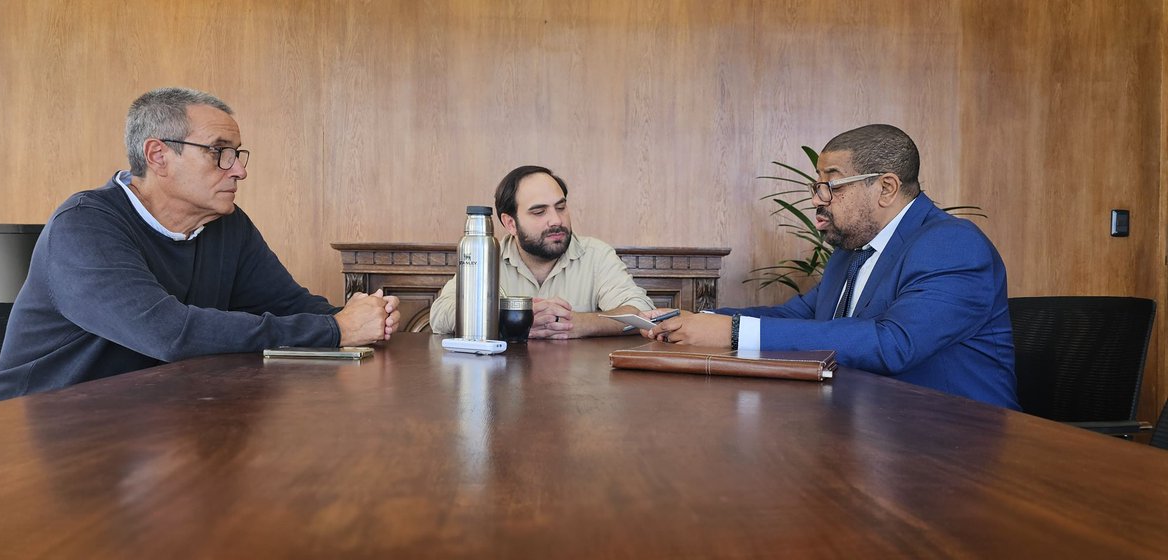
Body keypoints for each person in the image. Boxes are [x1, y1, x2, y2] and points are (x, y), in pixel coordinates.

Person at [0, 87, 400, 405]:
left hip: (144, 427)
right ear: (158, 155)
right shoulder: (85, 225)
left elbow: (289, 304)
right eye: (219, 152)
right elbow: (169, 333)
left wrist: (364, 315)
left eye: (237, 153)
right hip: (31, 432)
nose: (239, 171)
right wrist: (335, 330)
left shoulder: (226, 226)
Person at [642, 124, 1019, 409]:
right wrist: (693, 319)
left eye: (832, 186)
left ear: (886, 188)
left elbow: (893, 343)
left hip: (957, 443)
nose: (819, 201)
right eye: (816, 186)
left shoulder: (953, 244)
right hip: (869, 429)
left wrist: (734, 333)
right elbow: (797, 315)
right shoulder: (851, 252)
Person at [429, 165, 654, 339]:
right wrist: (511, 319)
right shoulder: (486, 256)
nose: (556, 220)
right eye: (539, 212)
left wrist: (577, 323)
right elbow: (441, 314)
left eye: (561, 207)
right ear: (510, 223)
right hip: (504, 389)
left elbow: (641, 312)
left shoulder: (597, 254)